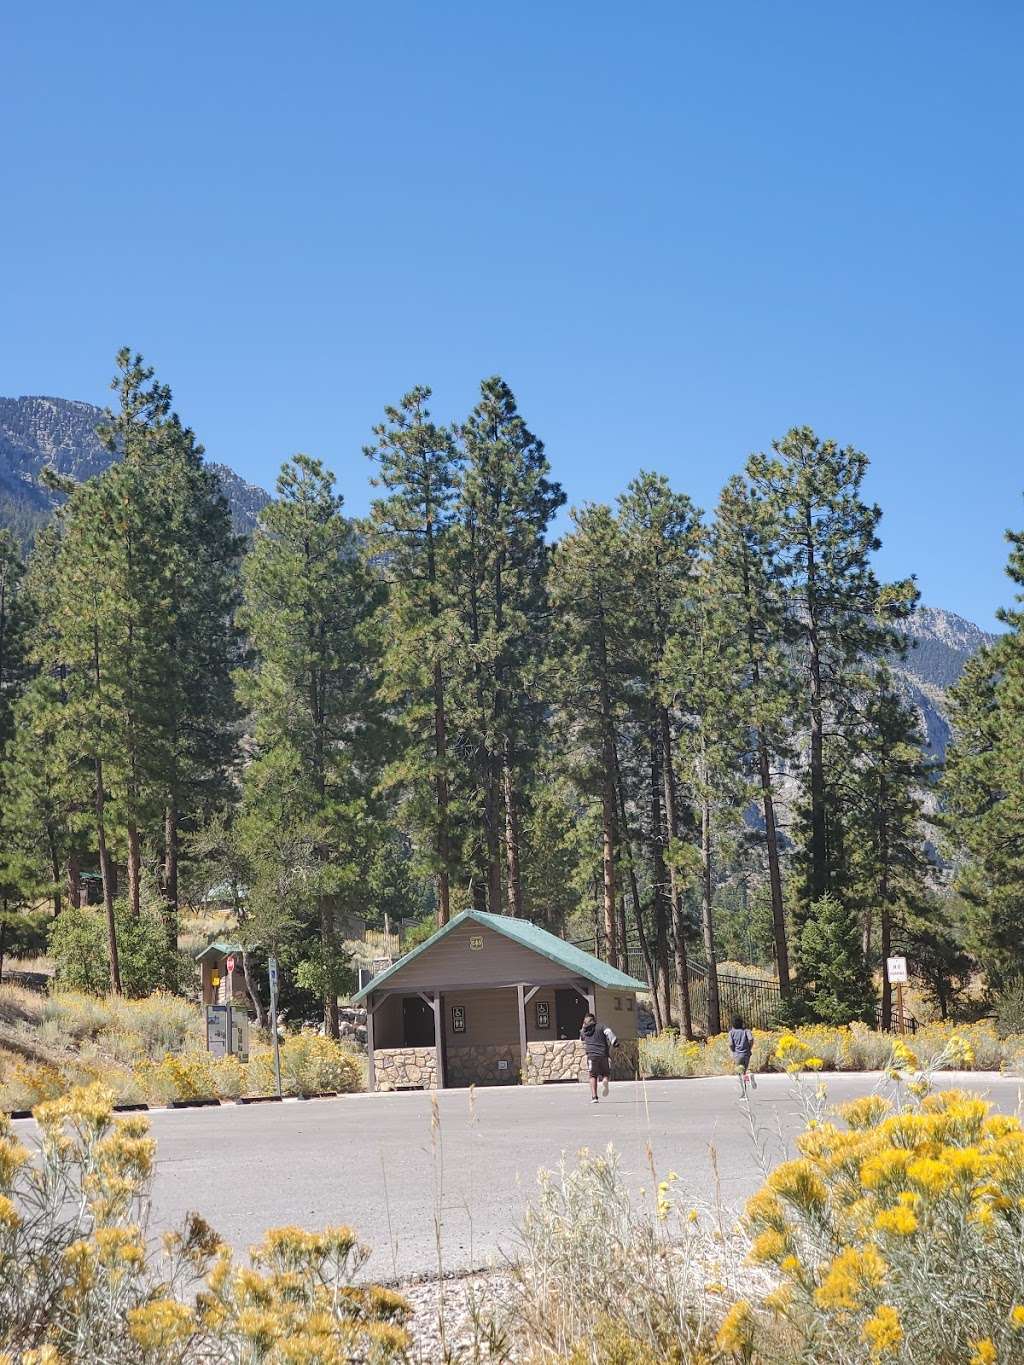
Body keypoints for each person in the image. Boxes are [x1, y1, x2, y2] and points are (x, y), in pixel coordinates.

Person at [580, 1012, 618, 1103]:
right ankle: (605, 1080)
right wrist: (614, 1042)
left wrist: (583, 1027)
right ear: (594, 1020)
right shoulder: (601, 1026)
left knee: (592, 1075)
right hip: (603, 1054)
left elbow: (582, 1038)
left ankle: (594, 1097)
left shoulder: (584, 1031)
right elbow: (609, 1032)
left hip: (591, 1056)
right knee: (606, 1073)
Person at [728, 1014, 756, 1093]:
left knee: (740, 1074)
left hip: (737, 1055)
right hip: (746, 1054)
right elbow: (751, 1039)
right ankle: (749, 1077)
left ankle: (744, 1092)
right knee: (744, 1070)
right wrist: (749, 1048)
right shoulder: (746, 1031)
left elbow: (730, 1044)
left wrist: (733, 1050)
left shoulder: (731, 1032)